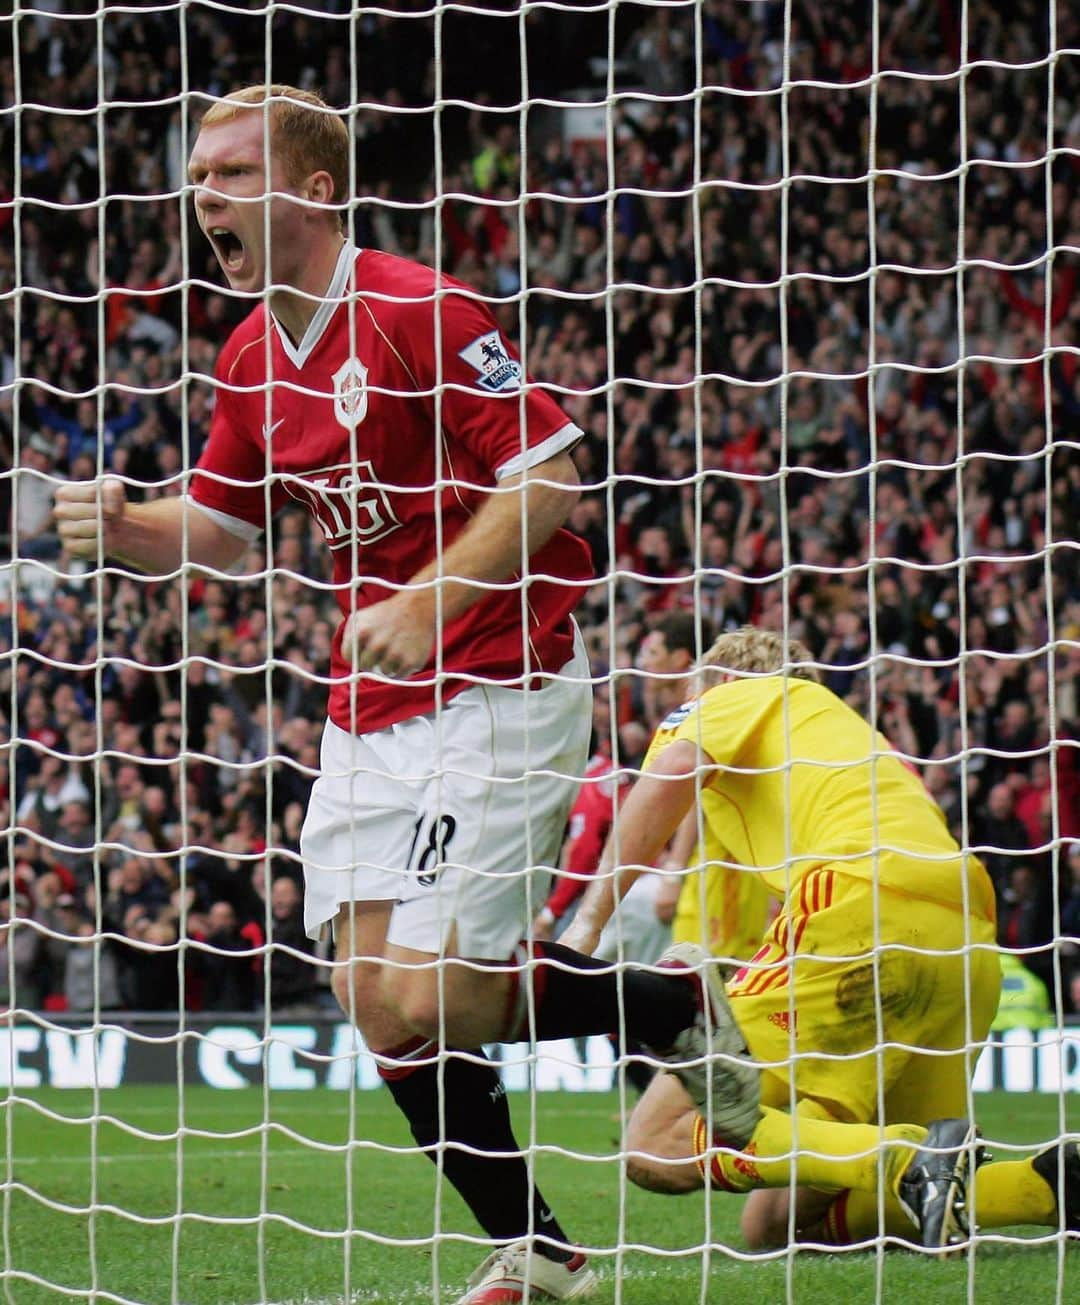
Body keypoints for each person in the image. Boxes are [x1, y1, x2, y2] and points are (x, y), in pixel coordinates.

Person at [55, 84, 745, 1305]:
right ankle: (541, 1252)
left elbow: (553, 478)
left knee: (444, 997)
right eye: (196, 175)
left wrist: (428, 598)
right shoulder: (252, 355)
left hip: (499, 674)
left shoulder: (420, 307)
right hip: (370, 707)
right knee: (380, 1011)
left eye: (226, 173)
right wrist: (123, 526)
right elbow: (215, 532)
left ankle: (680, 1002)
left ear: (314, 191)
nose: (199, 195)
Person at [563, 626, 1079, 1250]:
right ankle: (1041, 1188)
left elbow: (672, 768)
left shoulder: (736, 696)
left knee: (654, 1144)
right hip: (961, 937)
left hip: (856, 906)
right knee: (775, 1226)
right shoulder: (856, 741)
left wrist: (587, 925)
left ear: (719, 681)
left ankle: (902, 1160)